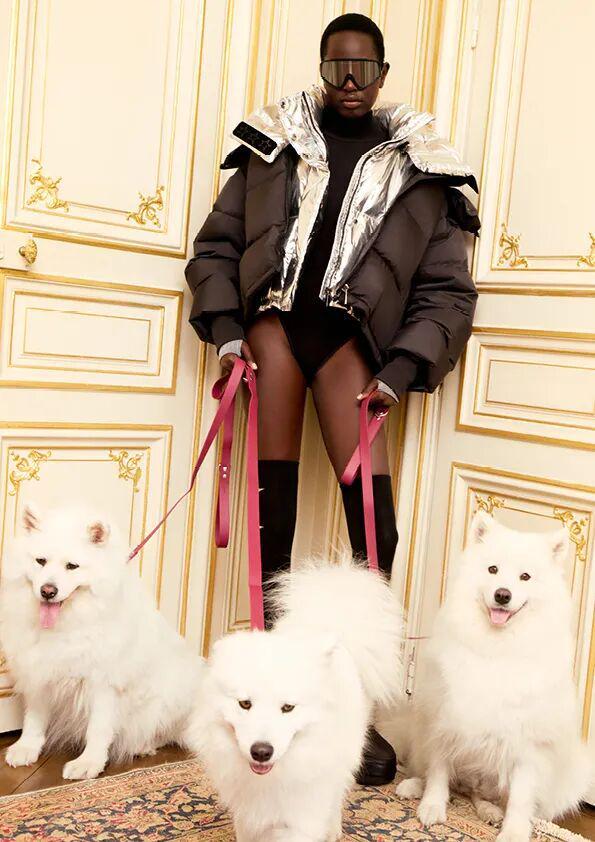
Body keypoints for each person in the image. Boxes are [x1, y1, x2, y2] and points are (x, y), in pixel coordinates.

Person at [185, 13, 480, 786]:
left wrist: (401, 369)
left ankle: (358, 708)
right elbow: (215, 248)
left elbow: (447, 291)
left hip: (350, 343)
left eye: (364, 68)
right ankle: (270, 704)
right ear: (322, 68)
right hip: (274, 332)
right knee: (270, 519)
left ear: (383, 73)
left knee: (372, 528)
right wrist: (226, 332)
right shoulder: (272, 144)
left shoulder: (423, 167)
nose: (349, 81)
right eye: (336, 67)